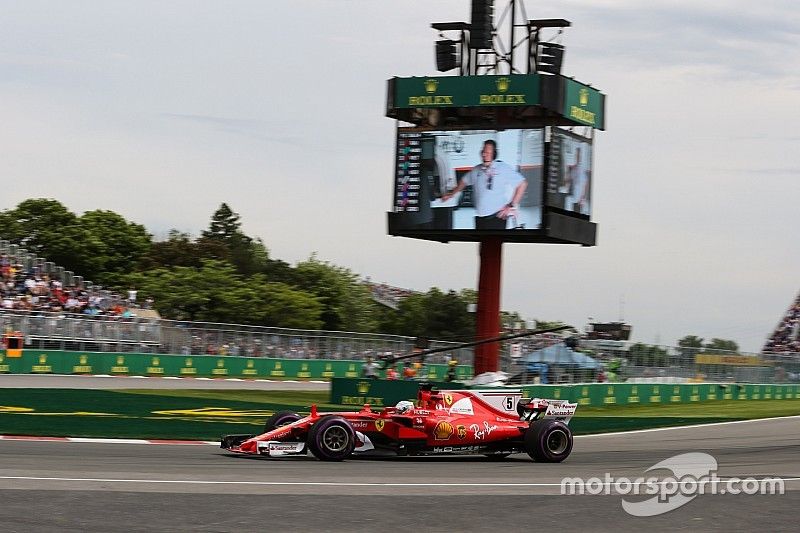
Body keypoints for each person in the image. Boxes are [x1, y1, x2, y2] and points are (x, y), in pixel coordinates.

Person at [441, 140, 527, 230]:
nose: (484, 154)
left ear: (494, 154)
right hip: (481, 219)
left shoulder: (502, 168)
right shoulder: (476, 170)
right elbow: (463, 182)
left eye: (488, 152)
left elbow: (522, 184)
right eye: (483, 152)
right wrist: (451, 194)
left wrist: (511, 205)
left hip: (496, 218)